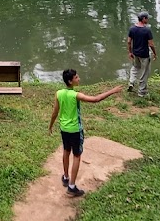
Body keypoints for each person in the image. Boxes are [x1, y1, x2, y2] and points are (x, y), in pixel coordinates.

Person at [48, 68, 122, 197]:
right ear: (70, 81)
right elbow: (95, 99)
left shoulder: (59, 93)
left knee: (66, 151)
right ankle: (71, 187)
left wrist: (51, 126)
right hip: (75, 130)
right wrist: (113, 91)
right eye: (76, 77)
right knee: (77, 156)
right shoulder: (76, 95)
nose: (79, 78)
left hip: (64, 129)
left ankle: (65, 177)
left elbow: (55, 112)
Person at [127, 12, 157, 97]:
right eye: (147, 18)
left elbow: (129, 42)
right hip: (144, 54)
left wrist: (130, 52)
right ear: (144, 19)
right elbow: (151, 44)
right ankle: (142, 92)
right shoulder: (147, 30)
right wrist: (155, 53)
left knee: (135, 67)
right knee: (144, 72)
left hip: (135, 53)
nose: (148, 19)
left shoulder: (132, 29)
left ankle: (131, 82)